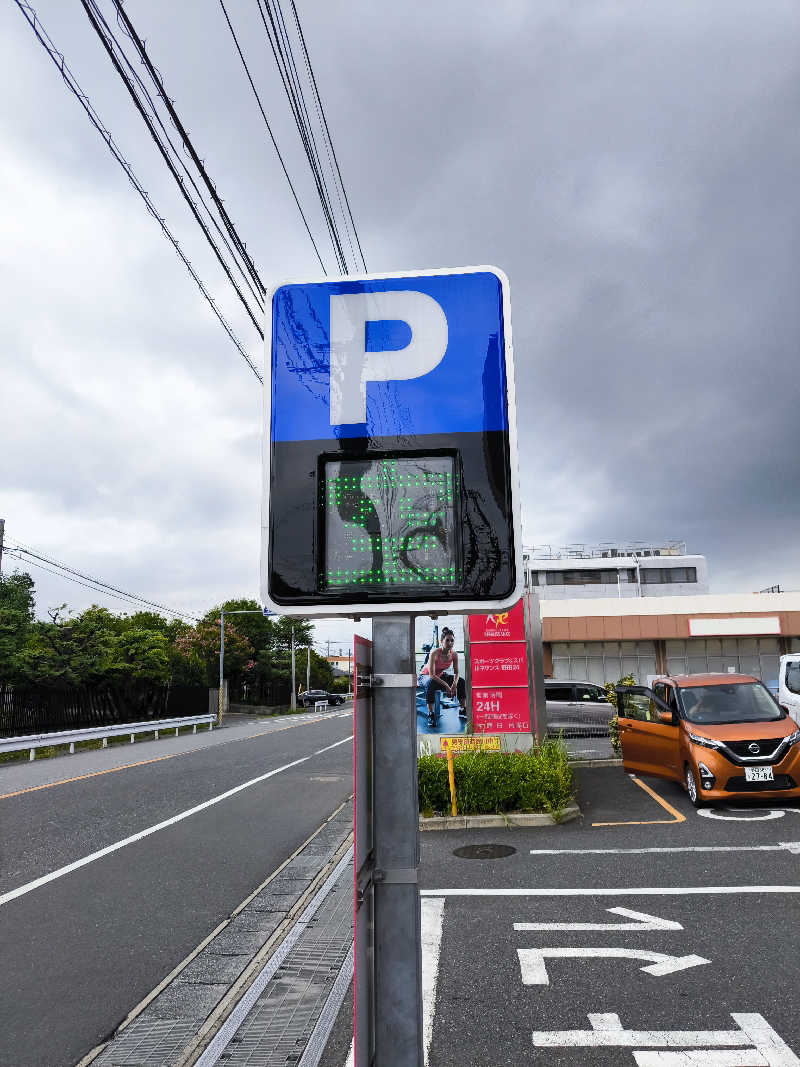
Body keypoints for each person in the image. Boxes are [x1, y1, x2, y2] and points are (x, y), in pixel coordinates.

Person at [425, 627, 467, 727]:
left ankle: (462, 708)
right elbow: (431, 675)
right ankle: (430, 714)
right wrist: (447, 686)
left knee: (461, 681)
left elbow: (456, 672)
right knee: (430, 683)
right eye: (447, 640)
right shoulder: (434, 653)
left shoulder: (454, 654)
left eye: (452, 640)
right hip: (426, 676)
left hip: (439, 675)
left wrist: (454, 684)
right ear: (441, 641)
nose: (450, 643)